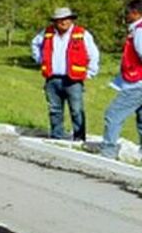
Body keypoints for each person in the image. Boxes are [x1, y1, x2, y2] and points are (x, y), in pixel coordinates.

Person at [31, 7, 100, 141]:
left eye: (66, 19)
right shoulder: (47, 33)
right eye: (59, 20)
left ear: (71, 20)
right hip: (52, 78)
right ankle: (57, 136)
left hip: (73, 79)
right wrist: (41, 59)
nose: (63, 22)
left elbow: (93, 53)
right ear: (55, 22)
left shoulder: (82, 34)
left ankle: (79, 138)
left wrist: (90, 72)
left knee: (76, 110)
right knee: (55, 109)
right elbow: (35, 44)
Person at [98, 0, 142, 159]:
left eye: (128, 13)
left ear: (136, 13)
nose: (126, 16)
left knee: (113, 114)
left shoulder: (139, 31)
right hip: (136, 82)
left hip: (136, 83)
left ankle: (108, 150)